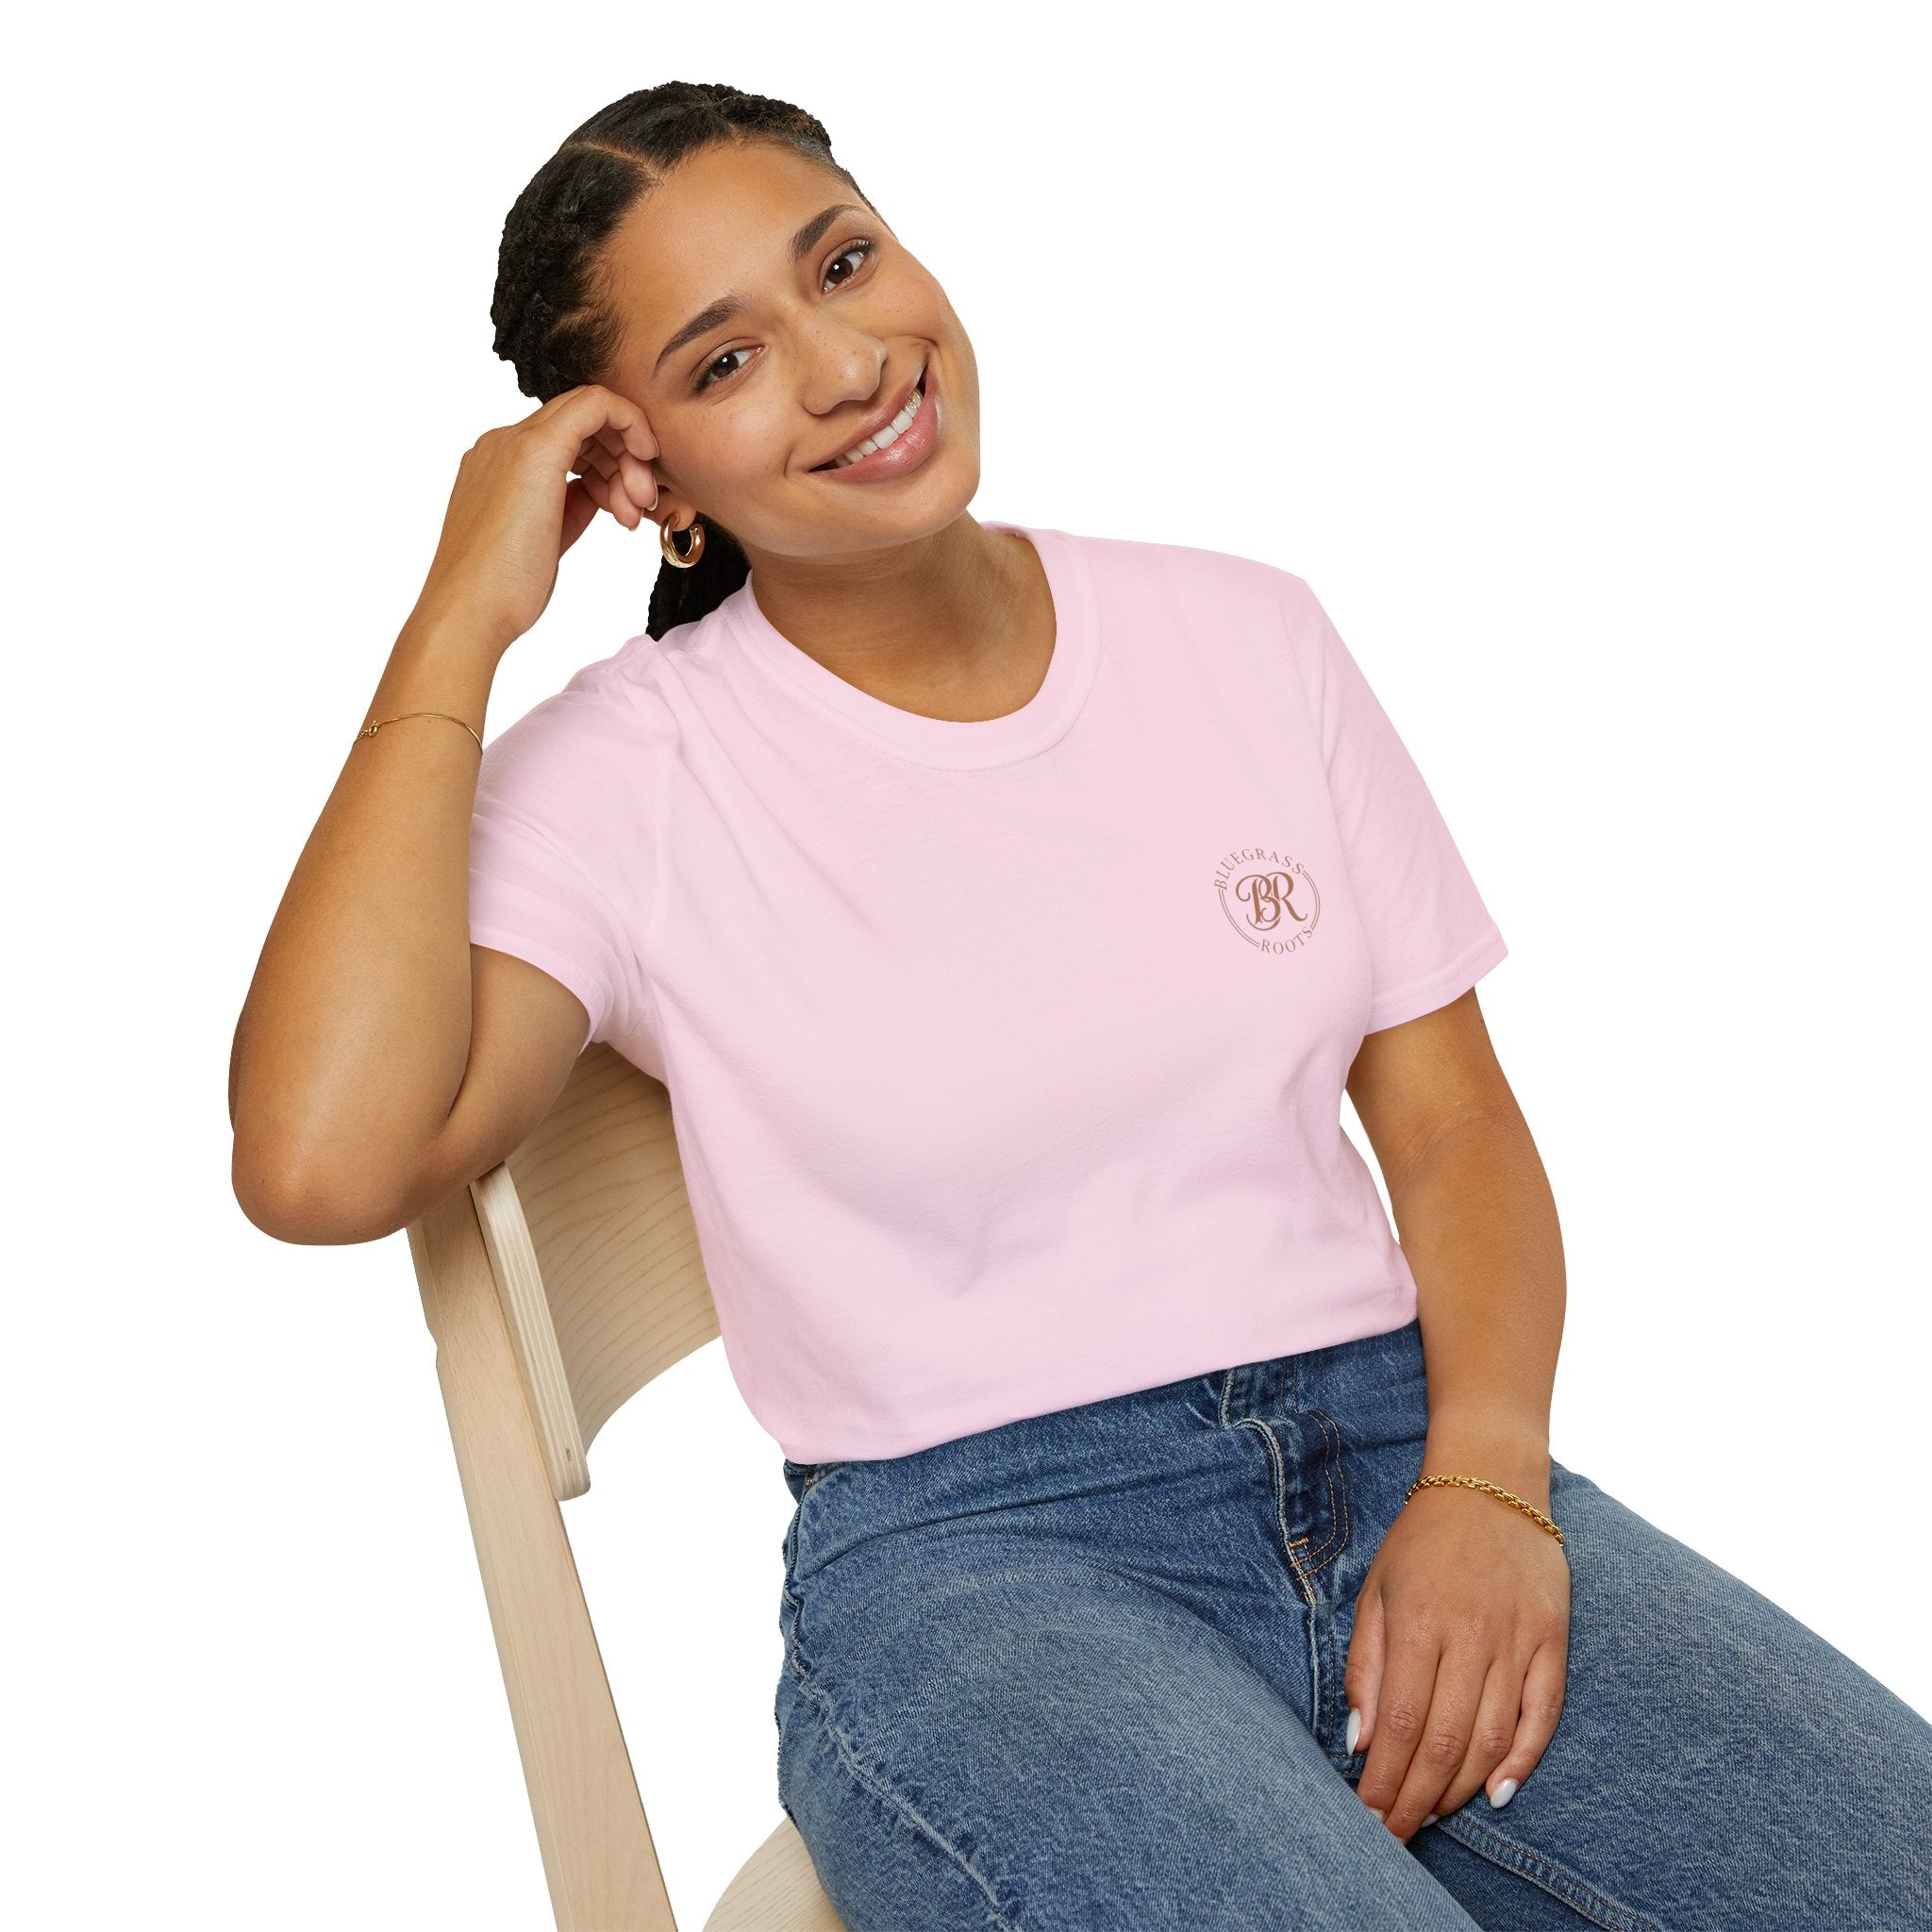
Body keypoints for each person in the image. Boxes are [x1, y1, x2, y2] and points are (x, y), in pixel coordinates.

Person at [228, 80, 1932, 1931]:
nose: (847, 365)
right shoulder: (631, 776)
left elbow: (1451, 1128)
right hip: (983, 1570)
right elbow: (320, 1161)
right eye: (726, 361)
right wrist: (458, 618)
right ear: (649, 481)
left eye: (843, 264)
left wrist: (1490, 1485)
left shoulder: (1246, 635)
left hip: (1404, 1450)